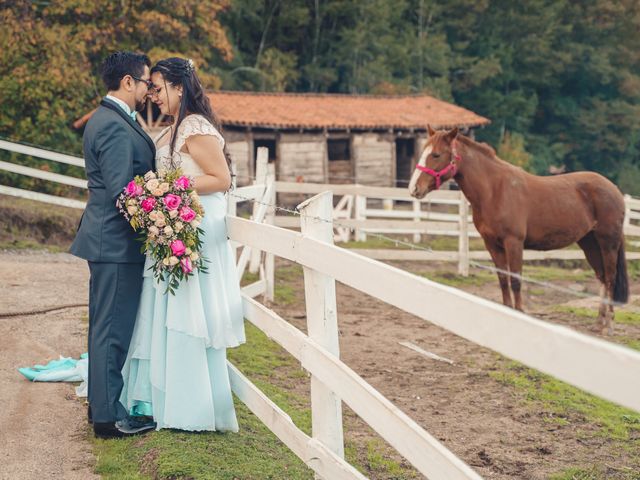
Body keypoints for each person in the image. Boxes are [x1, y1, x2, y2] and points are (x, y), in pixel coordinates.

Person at [119, 57, 246, 431]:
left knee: (187, 311)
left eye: (158, 88)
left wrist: (168, 190)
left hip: (195, 228)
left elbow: (220, 178)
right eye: (152, 88)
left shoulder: (194, 126)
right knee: (170, 309)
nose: (153, 96)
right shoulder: (176, 126)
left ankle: (190, 405)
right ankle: (167, 396)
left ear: (180, 87)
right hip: (177, 224)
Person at [70, 51, 158, 439]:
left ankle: (104, 407)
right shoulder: (113, 125)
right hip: (116, 243)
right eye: (144, 83)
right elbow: (125, 191)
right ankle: (107, 419)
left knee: (106, 328)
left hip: (110, 242)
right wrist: (159, 227)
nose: (146, 90)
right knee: (112, 331)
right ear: (127, 82)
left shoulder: (111, 119)